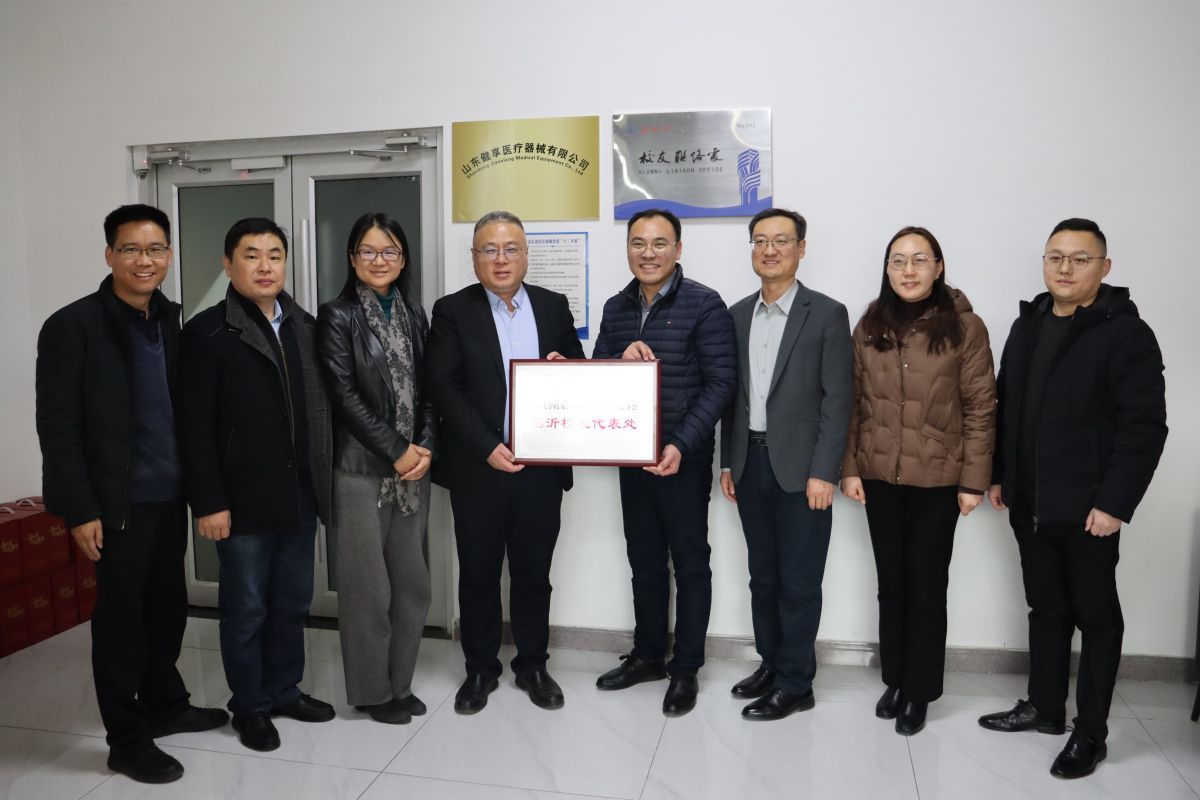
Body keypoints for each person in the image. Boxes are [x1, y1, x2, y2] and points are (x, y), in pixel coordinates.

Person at [35, 204, 227, 784]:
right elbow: (59, 428)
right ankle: (126, 739)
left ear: (168, 255)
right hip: (116, 504)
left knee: (167, 610)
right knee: (122, 623)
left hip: (169, 494)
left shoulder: (171, 320)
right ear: (110, 255)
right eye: (131, 249)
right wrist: (79, 508)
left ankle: (165, 703)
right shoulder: (73, 326)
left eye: (156, 249)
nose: (145, 260)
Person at [978, 218, 1167, 779]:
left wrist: (1114, 504)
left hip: (1089, 510)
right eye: (1055, 256)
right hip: (1030, 503)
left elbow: (1144, 428)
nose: (1065, 268)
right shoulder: (1029, 324)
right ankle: (1044, 707)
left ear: (1104, 268)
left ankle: (1090, 734)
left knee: (1097, 618)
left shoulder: (1126, 334)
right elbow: (1007, 407)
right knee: (1045, 609)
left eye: (1080, 259)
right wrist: (1000, 475)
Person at [178, 218, 335, 753]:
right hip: (239, 501)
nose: (265, 266)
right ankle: (250, 705)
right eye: (251, 255)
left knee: (292, 602)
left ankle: (284, 690)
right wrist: (209, 502)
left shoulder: (305, 326)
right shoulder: (206, 333)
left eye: (274, 255)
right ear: (228, 265)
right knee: (245, 609)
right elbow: (194, 428)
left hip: (298, 494)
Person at [425, 210, 584, 714]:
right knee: (478, 574)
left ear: (526, 254)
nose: (501, 259)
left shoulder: (553, 306)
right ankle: (480, 669)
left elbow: (579, 372)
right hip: (479, 469)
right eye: (489, 250)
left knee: (534, 574)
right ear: (474, 258)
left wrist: (566, 369)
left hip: (541, 469)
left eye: (511, 248)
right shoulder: (452, 310)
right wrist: (485, 445)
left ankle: (533, 665)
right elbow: (443, 386)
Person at [839, 226, 995, 735]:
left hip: (939, 481)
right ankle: (896, 679)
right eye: (898, 261)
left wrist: (973, 481)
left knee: (926, 589)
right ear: (886, 269)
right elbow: (852, 402)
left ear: (938, 267)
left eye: (919, 260)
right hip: (880, 475)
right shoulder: (870, 324)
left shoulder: (965, 327)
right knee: (891, 586)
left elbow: (980, 408)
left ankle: (920, 690)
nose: (908, 270)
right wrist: (849, 467)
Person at [593, 208, 736, 717]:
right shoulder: (616, 308)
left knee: (691, 564)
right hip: (631, 457)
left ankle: (686, 668)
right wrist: (617, 360)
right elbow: (598, 372)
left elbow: (721, 383)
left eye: (659, 243)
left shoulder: (704, 303)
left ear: (678, 249)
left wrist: (680, 445)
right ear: (628, 249)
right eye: (638, 243)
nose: (648, 253)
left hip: (683, 460)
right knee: (645, 561)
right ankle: (648, 655)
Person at [719, 208, 853, 721]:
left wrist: (825, 470)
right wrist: (727, 463)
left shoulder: (827, 314)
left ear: (801, 248)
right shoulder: (736, 315)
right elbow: (732, 397)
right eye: (759, 241)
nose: (769, 250)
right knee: (763, 578)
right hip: (749, 464)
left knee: (798, 581)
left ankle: (797, 683)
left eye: (780, 240)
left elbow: (838, 400)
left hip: (803, 471)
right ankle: (771, 664)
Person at [316, 213, 435, 725]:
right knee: (368, 589)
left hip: (412, 472)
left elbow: (429, 390)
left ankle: (399, 683)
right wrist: (396, 449)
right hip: (361, 472)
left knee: (411, 584)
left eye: (389, 251)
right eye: (368, 251)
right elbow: (343, 397)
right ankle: (371, 691)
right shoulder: (337, 316)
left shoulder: (415, 314)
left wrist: (424, 446)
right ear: (352, 258)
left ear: (403, 259)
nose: (379, 260)